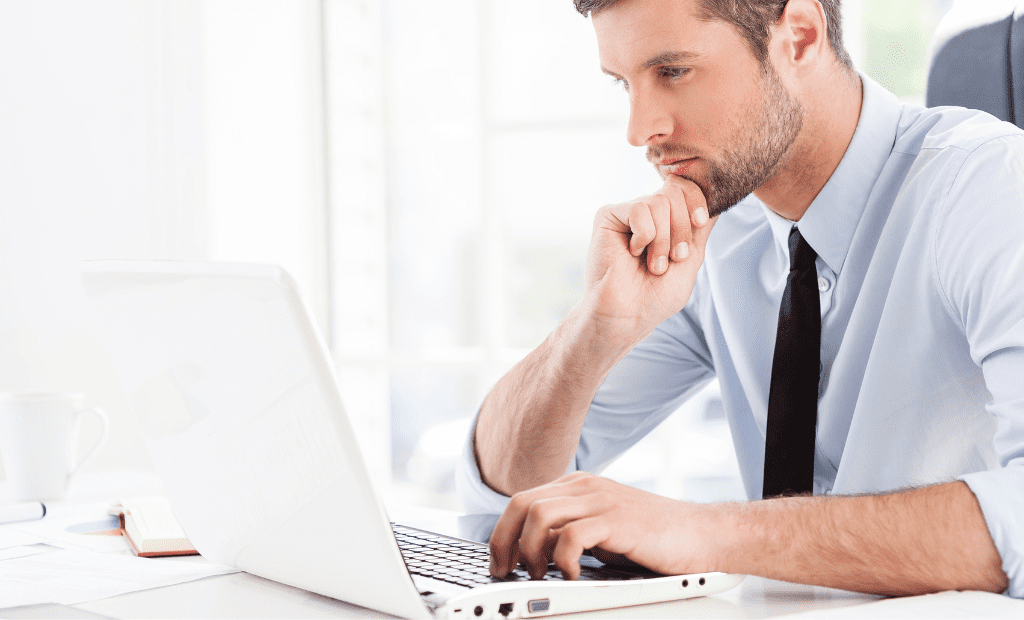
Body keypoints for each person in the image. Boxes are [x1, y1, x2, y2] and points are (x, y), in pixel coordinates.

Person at [457, 0, 1024, 598]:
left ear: (799, 36)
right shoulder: (716, 238)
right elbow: (499, 498)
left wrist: (701, 532)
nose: (639, 130)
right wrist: (596, 326)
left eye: (672, 71)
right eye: (625, 84)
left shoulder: (988, 188)